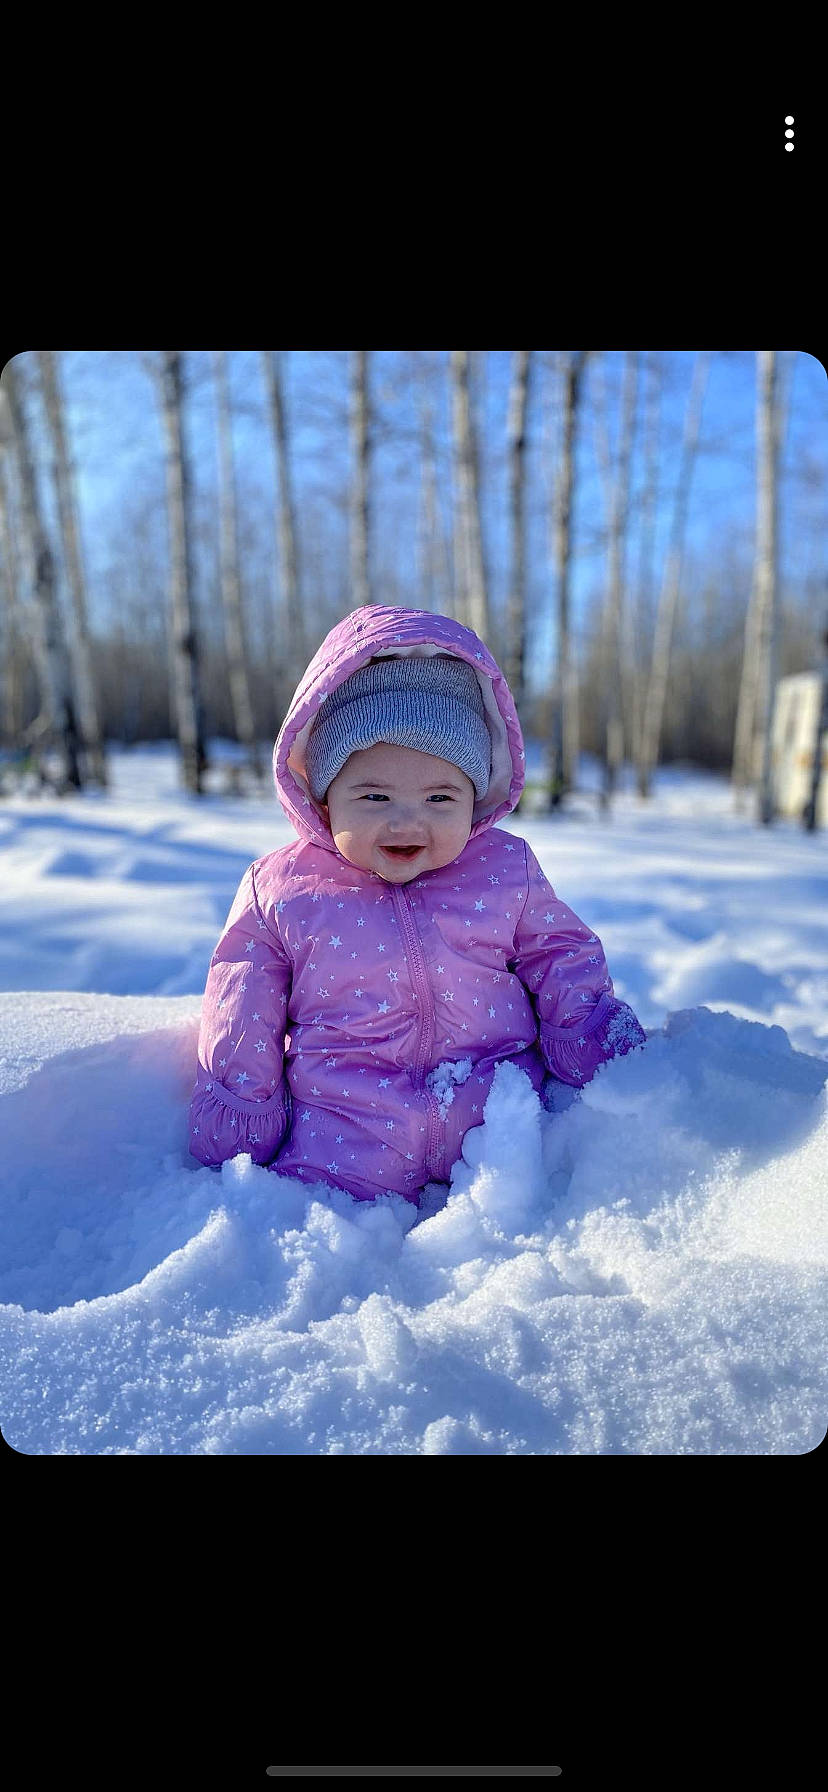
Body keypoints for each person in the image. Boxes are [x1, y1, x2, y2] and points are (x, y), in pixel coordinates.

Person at [188, 605, 646, 1206]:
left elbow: (560, 951)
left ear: (475, 795)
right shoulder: (284, 888)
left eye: (440, 796)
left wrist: (588, 1033)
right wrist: (242, 1107)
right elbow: (244, 998)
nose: (408, 819)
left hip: (500, 1142)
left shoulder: (506, 870)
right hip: (343, 1143)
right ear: (325, 797)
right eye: (374, 795)